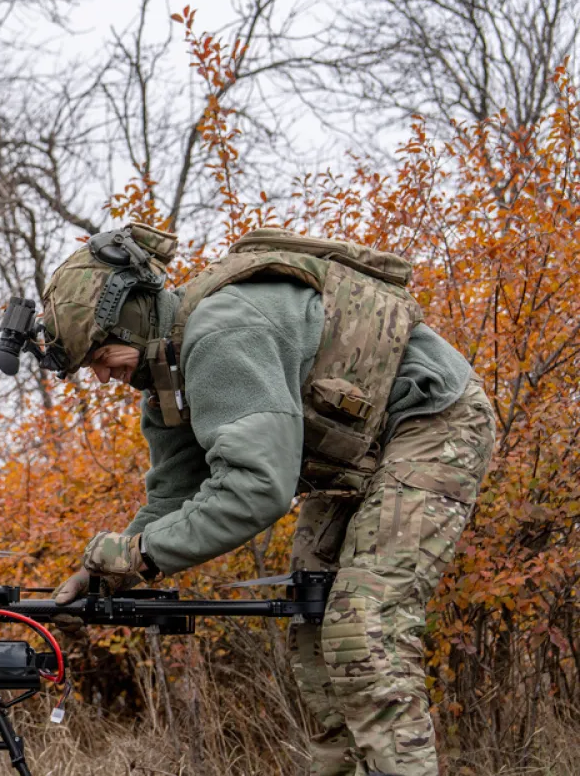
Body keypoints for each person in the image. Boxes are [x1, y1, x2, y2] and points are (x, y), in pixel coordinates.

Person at [25, 224, 495, 776]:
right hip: (359, 456)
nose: (104, 376)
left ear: (131, 316)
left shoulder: (220, 335)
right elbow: (174, 495)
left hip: (434, 421)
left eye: (102, 355)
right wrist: (104, 572)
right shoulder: (167, 375)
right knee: (315, 629)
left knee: (365, 630)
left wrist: (140, 554)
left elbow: (257, 490)